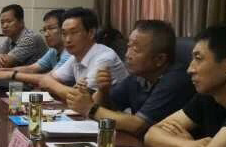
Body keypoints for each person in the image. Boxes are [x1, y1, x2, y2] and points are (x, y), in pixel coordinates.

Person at [66, 20, 194, 136]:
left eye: (136, 49)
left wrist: (90, 108)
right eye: (129, 46)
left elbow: (138, 125)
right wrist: (103, 91)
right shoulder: (138, 76)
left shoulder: (175, 80)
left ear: (159, 59)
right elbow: (108, 109)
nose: (127, 55)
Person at [2, 7, 128, 101]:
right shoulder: (75, 56)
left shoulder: (104, 58)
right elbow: (48, 80)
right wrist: (55, 85)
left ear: (91, 33)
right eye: (64, 33)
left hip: (115, 121)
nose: (67, 40)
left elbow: (85, 100)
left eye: (73, 33)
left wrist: (51, 84)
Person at [0, 8, 70, 80]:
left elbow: (49, 78)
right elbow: (31, 69)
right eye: (44, 30)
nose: (46, 34)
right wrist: (0, 71)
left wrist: (11, 75)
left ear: (64, 29)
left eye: (51, 28)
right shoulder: (53, 51)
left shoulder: (69, 53)